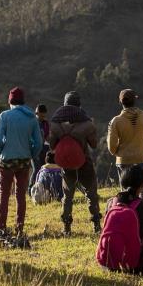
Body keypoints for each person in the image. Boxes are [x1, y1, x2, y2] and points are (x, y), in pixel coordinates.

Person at [0, 87, 43, 234]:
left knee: (4, 195)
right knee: (21, 196)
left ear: (10, 101)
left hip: (7, 160)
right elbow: (38, 142)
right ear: (23, 101)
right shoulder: (32, 118)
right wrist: (31, 154)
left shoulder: (4, 116)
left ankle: (1, 228)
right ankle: (19, 228)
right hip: (24, 160)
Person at [50, 91, 101, 235]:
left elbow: (52, 145)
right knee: (91, 194)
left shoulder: (56, 124)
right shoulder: (86, 123)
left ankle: (66, 228)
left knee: (67, 197)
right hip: (84, 162)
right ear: (79, 105)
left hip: (67, 164)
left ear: (65, 104)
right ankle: (96, 225)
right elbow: (94, 144)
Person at [107, 88, 143, 180]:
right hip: (141, 158)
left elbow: (111, 147)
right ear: (135, 100)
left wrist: (118, 153)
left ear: (120, 102)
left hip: (123, 160)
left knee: (126, 190)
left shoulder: (116, 121)